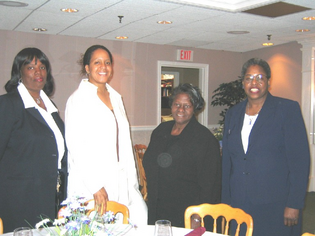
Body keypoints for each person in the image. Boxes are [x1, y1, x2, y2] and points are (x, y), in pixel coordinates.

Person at [221, 58, 310, 236]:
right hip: (239, 201)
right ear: (243, 83)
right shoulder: (233, 113)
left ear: (268, 82)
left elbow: (300, 161)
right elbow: (227, 162)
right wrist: (226, 202)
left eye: (260, 77)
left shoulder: (286, 110)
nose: (254, 83)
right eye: (249, 78)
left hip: (275, 203)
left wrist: (294, 203)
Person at [65, 45, 147, 225]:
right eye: (97, 62)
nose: (103, 67)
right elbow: (76, 146)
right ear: (87, 68)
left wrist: (133, 183)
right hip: (93, 183)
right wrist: (95, 185)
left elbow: (124, 143)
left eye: (107, 62)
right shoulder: (78, 100)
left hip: (121, 179)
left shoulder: (116, 98)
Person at [0, 48, 67, 233]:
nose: (38, 72)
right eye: (30, 67)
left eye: (43, 67)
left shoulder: (50, 106)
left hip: (50, 194)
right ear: (19, 73)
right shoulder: (8, 104)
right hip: (19, 198)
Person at [143, 83, 221, 228]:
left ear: (195, 108)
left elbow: (210, 185)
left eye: (187, 105)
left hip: (186, 212)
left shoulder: (204, 139)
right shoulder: (161, 130)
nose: (181, 109)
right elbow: (149, 160)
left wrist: (198, 217)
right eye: (177, 104)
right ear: (171, 105)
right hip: (157, 208)